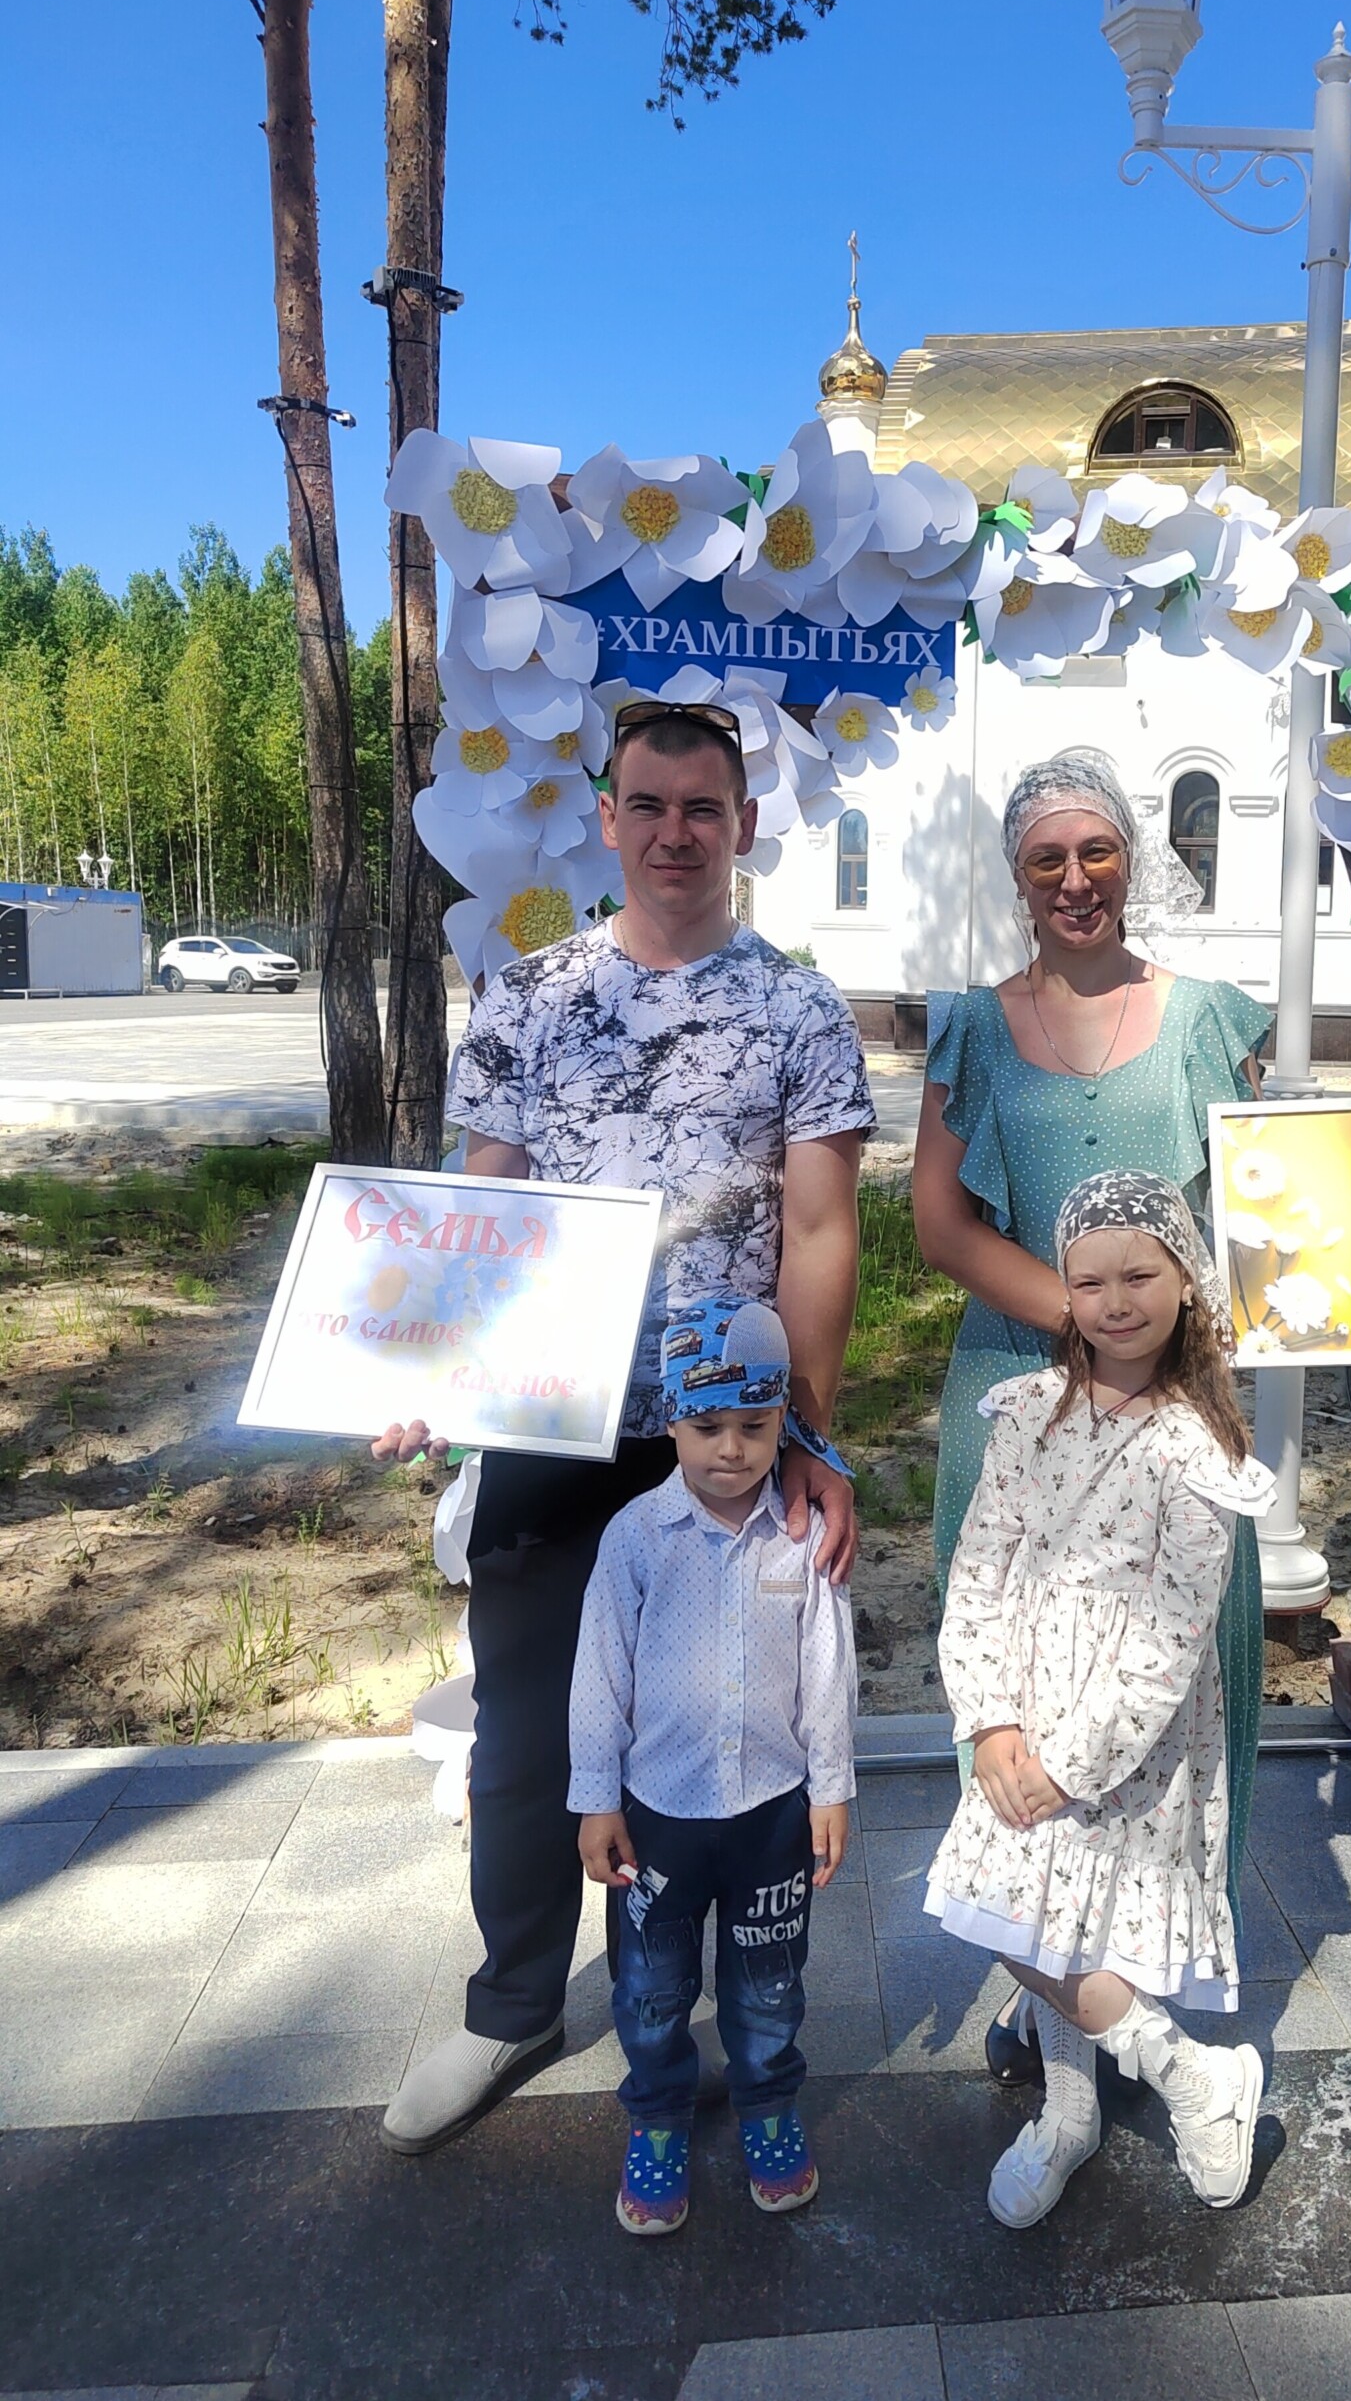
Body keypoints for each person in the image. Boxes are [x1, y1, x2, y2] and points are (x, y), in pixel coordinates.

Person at [377, 698, 873, 2157]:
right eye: (647, 805)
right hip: (548, 1418)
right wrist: (436, 1371)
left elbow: (824, 1229)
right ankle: (514, 2000)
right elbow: (484, 1206)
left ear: (743, 827)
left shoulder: (799, 1008)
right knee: (528, 1726)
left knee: (714, 1733)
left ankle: (698, 2007)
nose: (673, 832)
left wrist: (813, 1438)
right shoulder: (527, 996)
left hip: (718, 1441)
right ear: (607, 819)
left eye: (701, 809)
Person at [911, 746, 1269, 2080]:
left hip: (1171, 1401)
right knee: (1012, 1671)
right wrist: (1092, 1317)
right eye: (1046, 858)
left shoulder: (1208, 1021)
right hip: (1020, 1396)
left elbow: (1268, 1216)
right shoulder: (973, 1026)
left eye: (1096, 851)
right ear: (1018, 877)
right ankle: (1058, 1982)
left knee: (1154, 1684)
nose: (1075, 879)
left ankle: (1136, 1975)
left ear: (1132, 859)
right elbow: (939, 1219)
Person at [926, 1170, 1272, 2228]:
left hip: (1127, 1741)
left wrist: (1070, 1761)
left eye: (1140, 1275)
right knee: (1009, 1917)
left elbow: (1170, 1641)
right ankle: (1180, 2082)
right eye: (1090, 1280)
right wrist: (991, 1719)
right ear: (1064, 1290)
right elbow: (978, 1569)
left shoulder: (1198, 1449)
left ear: (1184, 1281)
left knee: (1083, 1927)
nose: (1115, 1301)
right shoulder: (1030, 1414)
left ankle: (1120, 2100)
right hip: (1021, 1708)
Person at [572, 1292, 856, 2236]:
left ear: (784, 1422)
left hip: (773, 1812)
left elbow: (828, 1669)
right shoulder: (634, 1541)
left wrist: (833, 1788)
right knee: (651, 1987)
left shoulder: (803, 1539)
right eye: (705, 1426)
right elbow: (598, 1675)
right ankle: (655, 2120)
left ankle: (768, 2104)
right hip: (657, 1815)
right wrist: (595, 1799)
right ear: (670, 1419)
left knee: (769, 1981)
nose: (730, 1448)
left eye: (754, 1426)